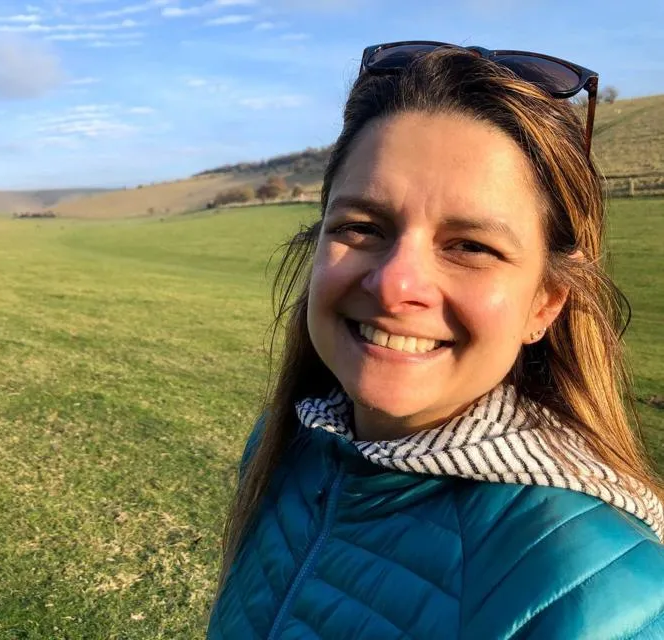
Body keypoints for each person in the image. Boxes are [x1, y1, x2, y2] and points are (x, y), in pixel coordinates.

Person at [208, 42, 664, 639]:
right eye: (362, 227)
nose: (396, 285)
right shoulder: (284, 445)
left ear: (545, 303)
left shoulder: (600, 596)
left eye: (471, 246)